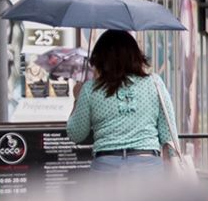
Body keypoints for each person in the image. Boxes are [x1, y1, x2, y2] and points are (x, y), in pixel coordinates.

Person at [65, 30, 179, 175]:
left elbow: (76, 134)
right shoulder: (154, 83)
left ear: (101, 59)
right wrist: (174, 164)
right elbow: (168, 132)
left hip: (106, 167)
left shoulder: (91, 89)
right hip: (148, 167)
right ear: (135, 56)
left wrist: (77, 98)